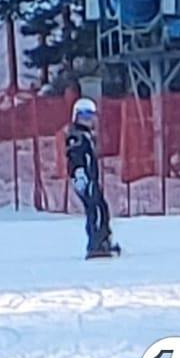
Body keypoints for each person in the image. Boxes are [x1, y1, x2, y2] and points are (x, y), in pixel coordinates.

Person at [67, 98, 118, 258]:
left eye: (90, 116)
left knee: (101, 207)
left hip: (91, 178)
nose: (87, 120)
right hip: (84, 178)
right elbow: (75, 156)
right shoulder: (77, 136)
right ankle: (96, 243)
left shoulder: (87, 136)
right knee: (95, 209)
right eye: (83, 116)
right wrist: (79, 173)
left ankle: (104, 239)